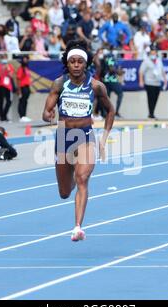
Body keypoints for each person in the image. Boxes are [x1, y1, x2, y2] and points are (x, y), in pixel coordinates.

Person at [42, 40, 115, 241]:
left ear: (85, 64)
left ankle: (77, 227)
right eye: (72, 61)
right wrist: (48, 114)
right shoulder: (59, 83)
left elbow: (110, 110)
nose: (76, 65)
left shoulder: (96, 86)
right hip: (64, 137)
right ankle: (73, 176)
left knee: (83, 179)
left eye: (79, 62)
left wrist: (104, 137)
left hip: (85, 136)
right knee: (64, 192)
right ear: (67, 62)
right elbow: (46, 111)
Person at [138, 48, 168, 119]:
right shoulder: (146, 61)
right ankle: (151, 113)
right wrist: (141, 81)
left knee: (155, 98)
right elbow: (141, 71)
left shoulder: (159, 61)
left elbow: (162, 70)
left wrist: (165, 79)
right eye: (152, 53)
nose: (153, 55)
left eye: (154, 53)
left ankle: (152, 112)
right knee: (150, 98)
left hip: (157, 82)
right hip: (149, 82)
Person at [16, 55, 32, 122]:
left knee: (25, 101)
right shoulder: (21, 69)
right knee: (21, 101)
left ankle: (24, 116)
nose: (26, 61)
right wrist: (19, 90)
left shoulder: (26, 68)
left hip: (27, 87)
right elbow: (18, 79)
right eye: (24, 59)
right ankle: (21, 116)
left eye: (27, 59)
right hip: (22, 87)